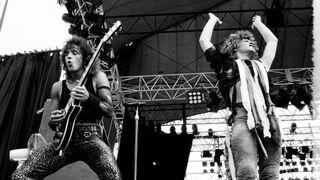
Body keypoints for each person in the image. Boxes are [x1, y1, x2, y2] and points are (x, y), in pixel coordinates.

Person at [12, 36, 121, 180]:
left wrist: (90, 98)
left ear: (85, 58)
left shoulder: (97, 78)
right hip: (64, 141)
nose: (69, 57)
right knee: (20, 175)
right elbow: (52, 124)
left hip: (92, 138)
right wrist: (54, 119)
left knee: (113, 176)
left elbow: (109, 110)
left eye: (75, 53)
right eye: (67, 54)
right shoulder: (57, 87)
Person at [199, 13, 282, 180]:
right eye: (245, 40)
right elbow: (203, 41)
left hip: (269, 118)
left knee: (271, 173)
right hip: (242, 118)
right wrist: (213, 20)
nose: (251, 41)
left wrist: (258, 23)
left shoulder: (262, 64)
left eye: (251, 41)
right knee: (246, 170)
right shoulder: (225, 65)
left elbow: (273, 40)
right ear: (234, 46)